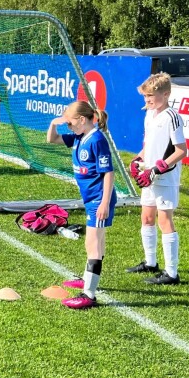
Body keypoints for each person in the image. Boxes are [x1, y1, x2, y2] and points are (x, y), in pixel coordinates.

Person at [47, 101, 116, 309]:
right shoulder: (79, 137)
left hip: (98, 199)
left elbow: (108, 173)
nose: (68, 127)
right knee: (97, 242)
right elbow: (52, 139)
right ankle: (88, 277)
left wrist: (104, 202)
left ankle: (89, 294)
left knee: (92, 244)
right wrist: (54, 123)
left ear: (83, 120)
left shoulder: (96, 140)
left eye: (70, 123)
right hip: (91, 199)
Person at [124, 72, 188, 285]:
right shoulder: (149, 114)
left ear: (166, 94)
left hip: (165, 177)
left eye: (151, 96)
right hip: (149, 176)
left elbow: (180, 151)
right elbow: (148, 145)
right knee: (146, 218)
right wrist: (138, 160)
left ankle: (172, 273)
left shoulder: (172, 116)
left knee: (164, 220)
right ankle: (150, 262)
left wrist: (158, 169)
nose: (147, 100)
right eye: (145, 96)